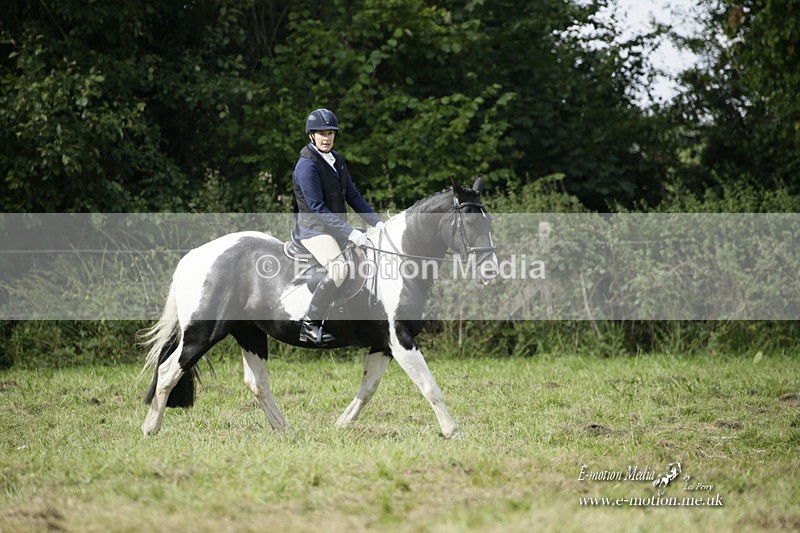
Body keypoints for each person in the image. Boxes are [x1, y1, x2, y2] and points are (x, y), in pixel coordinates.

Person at [291, 108, 383, 344]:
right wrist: (350, 231)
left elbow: (353, 196)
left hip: (335, 229)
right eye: (321, 133)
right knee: (340, 269)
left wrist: (378, 223)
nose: (326, 138)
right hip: (314, 231)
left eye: (330, 133)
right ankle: (310, 325)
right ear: (311, 135)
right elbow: (317, 209)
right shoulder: (306, 166)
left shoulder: (337, 160)